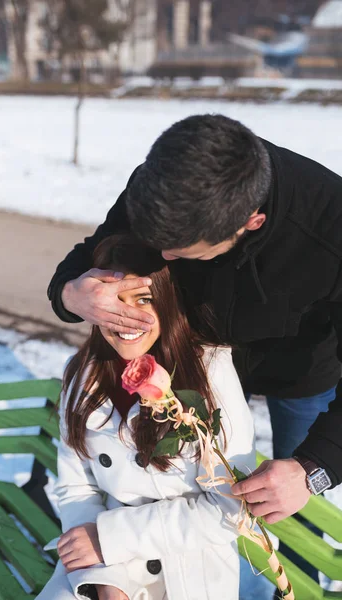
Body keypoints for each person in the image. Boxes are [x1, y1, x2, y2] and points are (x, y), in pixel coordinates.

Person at [48, 114, 342, 582]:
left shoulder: (330, 225)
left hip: (301, 372)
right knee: (195, 493)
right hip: (195, 362)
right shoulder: (164, 182)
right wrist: (69, 292)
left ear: (252, 222)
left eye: (181, 251)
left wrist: (315, 468)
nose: (164, 258)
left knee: (286, 503)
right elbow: (96, 253)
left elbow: (312, 467)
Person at [38, 235, 255, 600]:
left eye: (143, 299)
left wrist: (109, 540)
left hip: (188, 567)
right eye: (113, 301)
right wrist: (104, 577)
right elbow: (77, 487)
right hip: (99, 566)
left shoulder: (209, 371)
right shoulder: (82, 375)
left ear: (167, 302)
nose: (127, 317)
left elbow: (230, 508)